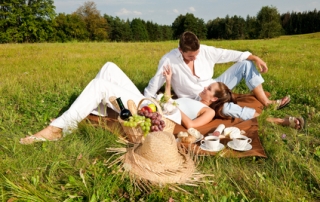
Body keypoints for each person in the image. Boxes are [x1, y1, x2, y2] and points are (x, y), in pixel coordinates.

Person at [144, 31, 291, 120]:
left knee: (245, 64)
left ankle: (267, 102)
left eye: (197, 54)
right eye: (190, 56)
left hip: (213, 86)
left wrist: (254, 57)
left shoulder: (205, 51)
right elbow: (154, 85)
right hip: (196, 99)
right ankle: (260, 117)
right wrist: (144, 104)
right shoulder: (168, 60)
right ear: (180, 50)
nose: (195, 58)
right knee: (224, 108)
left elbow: (227, 54)